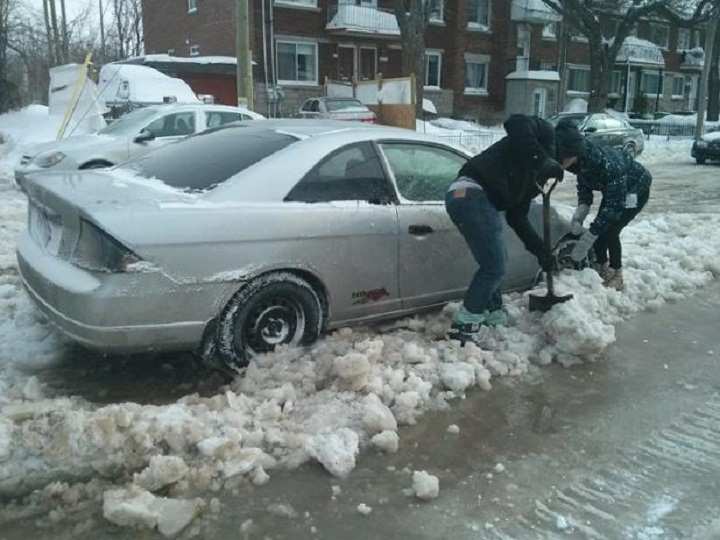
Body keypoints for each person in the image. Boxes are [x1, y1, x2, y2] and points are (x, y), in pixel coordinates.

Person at [445, 114, 587, 344]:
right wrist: (540, 159)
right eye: (574, 160)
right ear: (569, 154)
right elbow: (515, 122)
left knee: (497, 260)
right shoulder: (545, 135)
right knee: (494, 266)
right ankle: (464, 324)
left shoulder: (535, 180)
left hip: (475, 199)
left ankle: (492, 312)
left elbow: (517, 217)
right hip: (471, 193)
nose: (572, 166)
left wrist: (542, 252)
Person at [568, 133, 652, 291]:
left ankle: (617, 274)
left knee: (610, 231)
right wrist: (582, 209)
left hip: (635, 191)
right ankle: (602, 267)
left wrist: (590, 236)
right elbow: (584, 187)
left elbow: (613, 209)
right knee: (601, 230)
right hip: (615, 191)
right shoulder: (581, 164)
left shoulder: (608, 166)